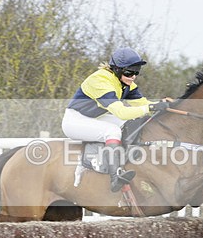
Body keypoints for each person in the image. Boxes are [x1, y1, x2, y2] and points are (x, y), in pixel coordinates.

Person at [62, 48, 170, 192]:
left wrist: (165, 105)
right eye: (129, 72)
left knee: (131, 122)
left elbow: (142, 104)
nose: (133, 77)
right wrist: (150, 107)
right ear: (117, 69)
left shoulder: (126, 83)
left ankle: (128, 160)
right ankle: (115, 177)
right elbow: (121, 112)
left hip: (94, 117)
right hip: (74, 121)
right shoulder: (100, 80)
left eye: (136, 72)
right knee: (112, 130)